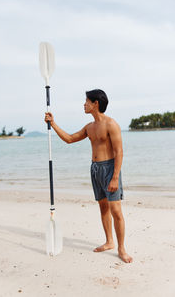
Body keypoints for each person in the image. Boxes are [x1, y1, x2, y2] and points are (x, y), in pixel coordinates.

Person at [45, 89, 133, 263]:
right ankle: (109, 241)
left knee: (116, 211)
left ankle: (122, 248)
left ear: (96, 104)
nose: (84, 104)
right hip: (95, 169)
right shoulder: (89, 127)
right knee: (103, 208)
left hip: (109, 169)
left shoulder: (111, 124)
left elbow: (119, 152)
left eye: (86, 101)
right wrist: (53, 123)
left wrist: (115, 177)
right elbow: (70, 139)